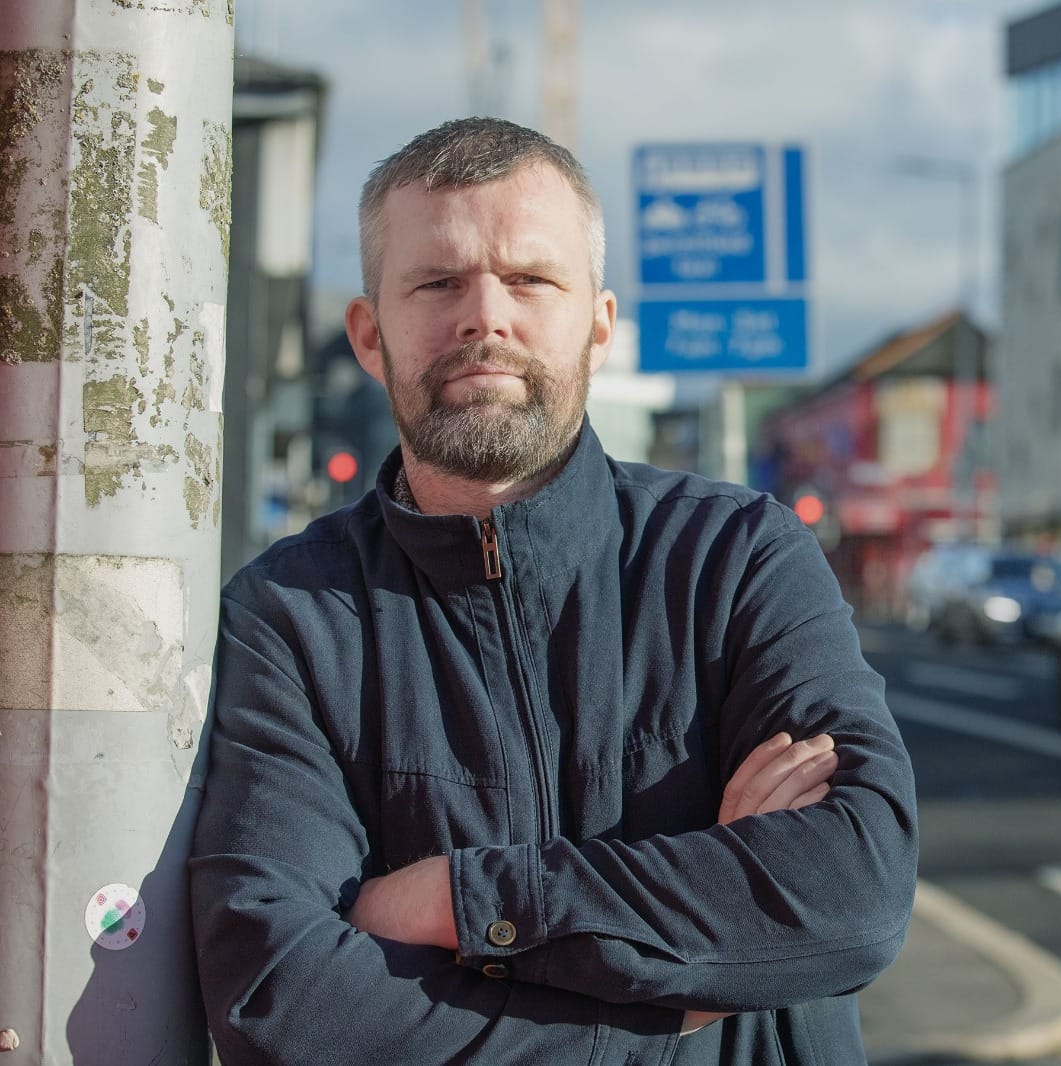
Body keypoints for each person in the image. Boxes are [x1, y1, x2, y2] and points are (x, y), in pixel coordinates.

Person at [189, 118, 918, 1065]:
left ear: (600, 325)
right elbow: (280, 999)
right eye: (438, 282)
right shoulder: (288, 619)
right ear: (370, 336)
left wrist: (456, 903)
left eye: (531, 280)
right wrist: (668, 1009)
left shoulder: (737, 556)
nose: (485, 317)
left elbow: (853, 890)